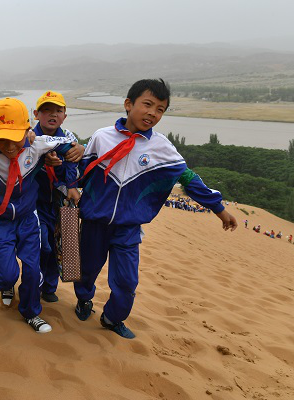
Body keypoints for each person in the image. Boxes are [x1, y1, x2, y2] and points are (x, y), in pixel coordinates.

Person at [76, 79, 237, 339]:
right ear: (129, 104)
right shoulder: (101, 137)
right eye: (148, 104)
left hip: (128, 228)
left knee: (127, 282)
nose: (153, 113)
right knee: (86, 271)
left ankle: (111, 318)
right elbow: (80, 170)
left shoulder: (162, 147)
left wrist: (218, 208)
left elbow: (188, 179)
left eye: (160, 109)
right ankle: (84, 299)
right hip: (95, 222)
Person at [0, 98, 78, 333]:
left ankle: (31, 312)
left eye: (15, 137)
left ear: (28, 130)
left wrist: (75, 150)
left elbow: (66, 143)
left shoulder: (37, 144)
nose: (9, 147)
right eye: (2, 139)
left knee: (32, 270)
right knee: (8, 275)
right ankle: (5, 286)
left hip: (29, 221)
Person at [32, 90, 83, 302]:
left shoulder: (69, 138)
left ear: (64, 115)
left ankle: (49, 288)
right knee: (41, 244)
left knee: (58, 246)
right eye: (46, 110)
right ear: (36, 114)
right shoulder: (28, 136)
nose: (52, 115)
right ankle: (36, 282)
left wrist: (70, 183)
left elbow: (73, 163)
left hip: (61, 202)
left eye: (58, 111)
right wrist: (42, 162)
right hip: (34, 202)